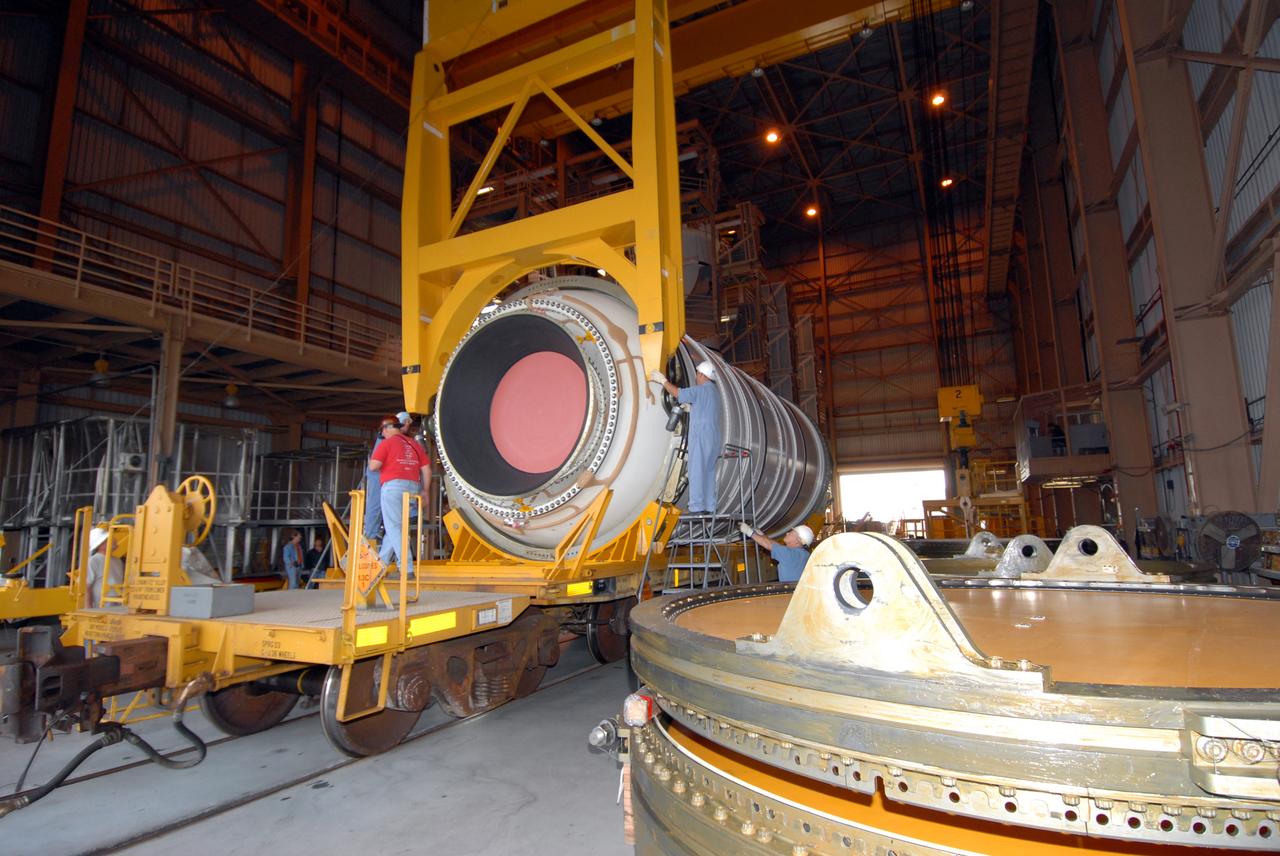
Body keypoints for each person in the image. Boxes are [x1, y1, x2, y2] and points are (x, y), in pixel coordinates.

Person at [651, 360, 722, 514]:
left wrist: (662, 381)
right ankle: (710, 506)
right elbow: (706, 410)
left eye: (697, 374)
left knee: (696, 470)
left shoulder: (701, 390)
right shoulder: (714, 393)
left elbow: (679, 394)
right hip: (714, 440)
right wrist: (692, 408)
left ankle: (696, 507)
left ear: (702, 375)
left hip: (701, 438)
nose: (696, 377)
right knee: (709, 472)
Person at [368, 415, 431, 574]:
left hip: (393, 488)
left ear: (389, 428)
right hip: (412, 488)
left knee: (394, 527)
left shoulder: (386, 443)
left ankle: (406, 567)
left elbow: (373, 466)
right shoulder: (414, 444)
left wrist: (372, 459)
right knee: (397, 527)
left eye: (383, 431)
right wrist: (425, 491)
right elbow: (426, 470)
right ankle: (380, 566)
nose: (383, 434)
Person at [364, 411, 412, 541]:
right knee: (376, 506)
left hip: (386, 477)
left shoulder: (398, 440)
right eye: (405, 422)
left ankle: (373, 535)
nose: (407, 425)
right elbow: (374, 465)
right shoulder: (386, 439)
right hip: (379, 477)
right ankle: (370, 537)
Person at [739, 522, 815, 583]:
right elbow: (778, 547)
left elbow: (769, 545)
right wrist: (762, 535)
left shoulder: (789, 554)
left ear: (797, 541)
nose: (787, 533)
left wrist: (749, 532)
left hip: (789, 594)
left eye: (791, 533)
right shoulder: (805, 554)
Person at [85, 526, 123, 608]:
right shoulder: (93, 561)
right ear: (100, 545)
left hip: (118, 606)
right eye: (107, 539)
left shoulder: (118, 561)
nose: (114, 540)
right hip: (101, 607)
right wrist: (89, 609)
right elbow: (86, 587)